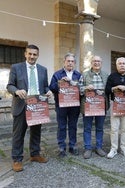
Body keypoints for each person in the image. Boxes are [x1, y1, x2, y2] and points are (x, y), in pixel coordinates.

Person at [7, 44, 52, 172]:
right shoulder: (16, 67)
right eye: (30, 54)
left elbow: (45, 87)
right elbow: (10, 85)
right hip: (22, 105)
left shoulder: (43, 69)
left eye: (35, 54)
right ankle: (17, 159)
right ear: (25, 54)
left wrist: (48, 92)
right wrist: (16, 91)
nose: (32, 56)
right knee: (18, 134)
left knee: (36, 132)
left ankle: (35, 154)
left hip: (38, 106)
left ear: (38, 55)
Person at [49, 53, 81, 157]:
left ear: (74, 63)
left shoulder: (78, 75)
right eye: (68, 61)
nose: (70, 63)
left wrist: (72, 83)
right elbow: (51, 88)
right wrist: (59, 83)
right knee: (61, 126)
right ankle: (61, 147)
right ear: (64, 62)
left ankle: (72, 146)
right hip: (61, 105)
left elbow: (82, 89)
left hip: (74, 105)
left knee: (73, 126)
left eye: (72, 61)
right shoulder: (57, 74)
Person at [105, 57, 125, 159]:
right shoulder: (112, 76)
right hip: (115, 105)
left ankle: (123, 147)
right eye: (120, 63)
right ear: (116, 65)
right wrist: (116, 87)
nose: (122, 65)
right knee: (114, 129)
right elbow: (107, 90)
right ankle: (113, 149)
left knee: (124, 129)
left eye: (124, 63)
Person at [80, 55, 109, 159]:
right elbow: (78, 89)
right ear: (91, 63)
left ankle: (99, 147)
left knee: (100, 128)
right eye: (94, 61)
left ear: (101, 63)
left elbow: (109, 90)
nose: (96, 63)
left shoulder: (106, 75)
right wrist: (86, 88)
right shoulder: (84, 74)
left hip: (101, 106)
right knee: (87, 128)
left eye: (98, 61)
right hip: (88, 106)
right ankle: (88, 148)